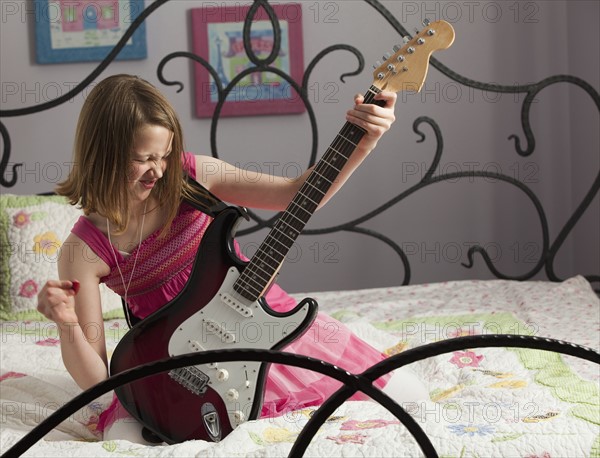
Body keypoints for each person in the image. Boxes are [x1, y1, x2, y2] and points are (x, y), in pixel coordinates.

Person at [37, 74, 427, 444]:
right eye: (143, 159)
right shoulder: (83, 250)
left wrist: (363, 142)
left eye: (166, 154)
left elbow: (295, 193)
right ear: (103, 155)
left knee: (408, 395)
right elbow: (98, 381)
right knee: (124, 439)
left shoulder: (191, 175)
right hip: (174, 366)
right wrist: (66, 323)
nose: (157, 171)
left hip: (263, 323)